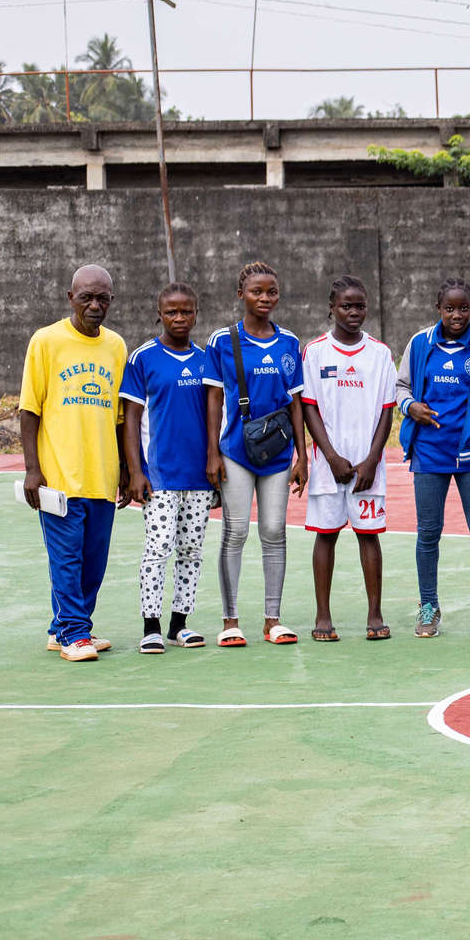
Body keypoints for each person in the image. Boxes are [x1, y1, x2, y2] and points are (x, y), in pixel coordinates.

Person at [21, 264, 126, 661]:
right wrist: (33, 468)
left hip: (102, 474)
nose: (94, 305)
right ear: (71, 298)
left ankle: (60, 627)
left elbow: (119, 415)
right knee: (67, 559)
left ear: (111, 301)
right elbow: (29, 410)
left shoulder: (116, 346)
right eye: (86, 297)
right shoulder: (46, 341)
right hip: (59, 477)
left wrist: (127, 469)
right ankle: (75, 634)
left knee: (93, 563)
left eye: (102, 298)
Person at [203, 261, 308, 646]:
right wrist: (213, 451)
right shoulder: (221, 341)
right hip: (235, 450)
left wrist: (303, 455)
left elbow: (296, 402)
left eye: (271, 292)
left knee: (274, 531)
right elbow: (214, 399)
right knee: (235, 531)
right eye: (256, 291)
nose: (265, 298)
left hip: (279, 454)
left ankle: (272, 619)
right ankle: (230, 621)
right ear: (240, 295)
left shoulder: (289, 343)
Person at [397, 278, 470, 638]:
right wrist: (411, 407)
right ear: (438, 308)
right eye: (449, 308)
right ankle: (428, 606)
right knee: (428, 532)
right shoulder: (419, 344)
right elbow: (401, 388)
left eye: (463, 308)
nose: (456, 315)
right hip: (429, 453)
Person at [301, 275, 398, 642]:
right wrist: (330, 456)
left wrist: (372, 460)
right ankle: (322, 615)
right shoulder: (315, 352)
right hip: (330, 465)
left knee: (368, 535)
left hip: (367, 466)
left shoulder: (380, 354)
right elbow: (308, 407)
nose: (354, 312)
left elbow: (387, 410)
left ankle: (375, 614)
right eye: (346, 305)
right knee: (326, 536)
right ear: (331, 308)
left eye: (359, 305)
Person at [120, 281, 213, 653]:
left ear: (195, 314)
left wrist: (214, 463)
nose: (179, 317)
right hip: (159, 475)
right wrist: (135, 472)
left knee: (191, 550)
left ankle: (180, 624)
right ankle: (151, 626)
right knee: (158, 549)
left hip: (199, 477)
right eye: (171, 312)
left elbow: (214, 416)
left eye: (186, 311)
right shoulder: (143, 358)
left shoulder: (206, 359)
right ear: (159, 314)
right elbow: (130, 420)